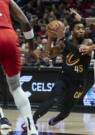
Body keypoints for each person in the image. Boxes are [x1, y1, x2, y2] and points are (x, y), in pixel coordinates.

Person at [31, 21, 94, 126]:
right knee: (53, 99)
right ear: (72, 31)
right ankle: (32, 121)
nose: (82, 30)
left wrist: (63, 39)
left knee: (66, 111)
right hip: (64, 78)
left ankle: (57, 119)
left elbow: (78, 52)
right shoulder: (64, 43)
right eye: (78, 28)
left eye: (83, 28)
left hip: (79, 82)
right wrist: (50, 37)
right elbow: (48, 55)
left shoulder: (88, 42)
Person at [0, 0, 38, 135]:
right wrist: (32, 48)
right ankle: (31, 128)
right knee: (16, 87)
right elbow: (25, 23)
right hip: (9, 37)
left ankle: (2, 119)